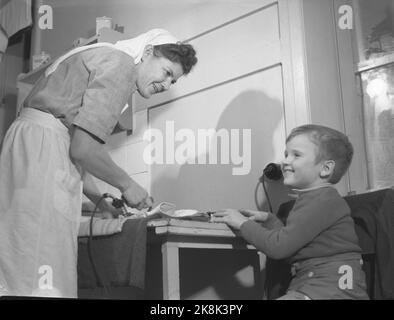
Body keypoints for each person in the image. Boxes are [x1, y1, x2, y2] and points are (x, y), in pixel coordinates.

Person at [0, 28, 197, 298]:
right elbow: (83, 150)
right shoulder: (122, 64)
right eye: (166, 72)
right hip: (40, 151)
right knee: (41, 263)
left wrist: (102, 202)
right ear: (148, 52)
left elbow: (72, 151)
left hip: (29, 146)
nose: (166, 85)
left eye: (172, 82)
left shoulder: (103, 56)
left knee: (21, 258)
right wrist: (128, 185)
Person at [212, 124, 369, 300]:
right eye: (286, 154)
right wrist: (270, 219)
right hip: (321, 287)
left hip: (330, 290)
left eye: (296, 155)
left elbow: (279, 248)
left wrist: (243, 224)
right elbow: (294, 242)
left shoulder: (322, 201)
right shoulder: (317, 198)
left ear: (325, 169)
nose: (285, 161)